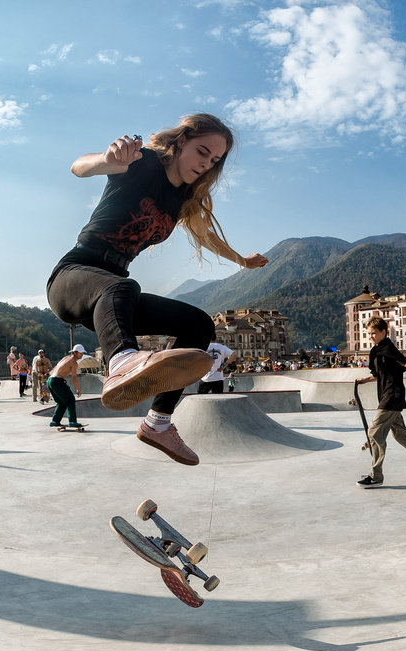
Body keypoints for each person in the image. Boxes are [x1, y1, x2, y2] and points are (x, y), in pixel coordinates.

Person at [45, 114, 268, 465]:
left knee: (198, 325)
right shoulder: (142, 162)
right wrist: (107, 160)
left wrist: (240, 259)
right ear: (181, 141)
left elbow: (206, 236)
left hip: (113, 300)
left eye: (213, 161)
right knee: (122, 286)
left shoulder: (183, 200)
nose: (205, 164)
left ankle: (158, 423)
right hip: (74, 277)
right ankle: (122, 363)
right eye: (202, 152)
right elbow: (78, 167)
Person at [354, 317, 406, 489]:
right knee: (399, 434)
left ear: (384, 332)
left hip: (392, 396)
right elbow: (378, 375)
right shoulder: (376, 351)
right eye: (368, 334)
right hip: (386, 395)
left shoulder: (389, 348)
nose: (371, 337)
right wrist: (364, 380)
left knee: (374, 433)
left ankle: (376, 476)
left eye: (374, 333)